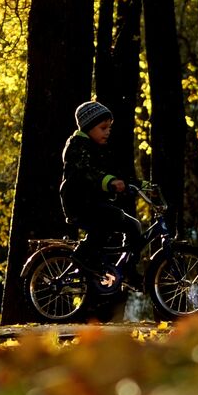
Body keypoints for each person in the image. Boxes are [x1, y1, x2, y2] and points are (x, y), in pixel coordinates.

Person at [59, 101, 141, 276]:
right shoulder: (77, 147)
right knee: (105, 224)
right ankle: (82, 256)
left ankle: (128, 268)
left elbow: (114, 173)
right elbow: (85, 172)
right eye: (103, 128)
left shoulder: (99, 149)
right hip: (79, 203)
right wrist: (109, 181)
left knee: (133, 226)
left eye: (109, 128)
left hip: (94, 204)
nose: (108, 132)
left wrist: (140, 184)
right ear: (88, 127)